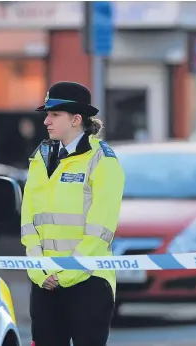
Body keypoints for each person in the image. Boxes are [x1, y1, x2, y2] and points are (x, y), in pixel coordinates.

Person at [21, 81, 125, 346]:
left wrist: (66, 273)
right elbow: (29, 220)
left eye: (54, 115)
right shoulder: (40, 157)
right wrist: (39, 270)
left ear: (76, 119)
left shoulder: (102, 161)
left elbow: (100, 230)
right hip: (45, 280)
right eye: (47, 114)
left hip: (89, 282)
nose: (46, 121)